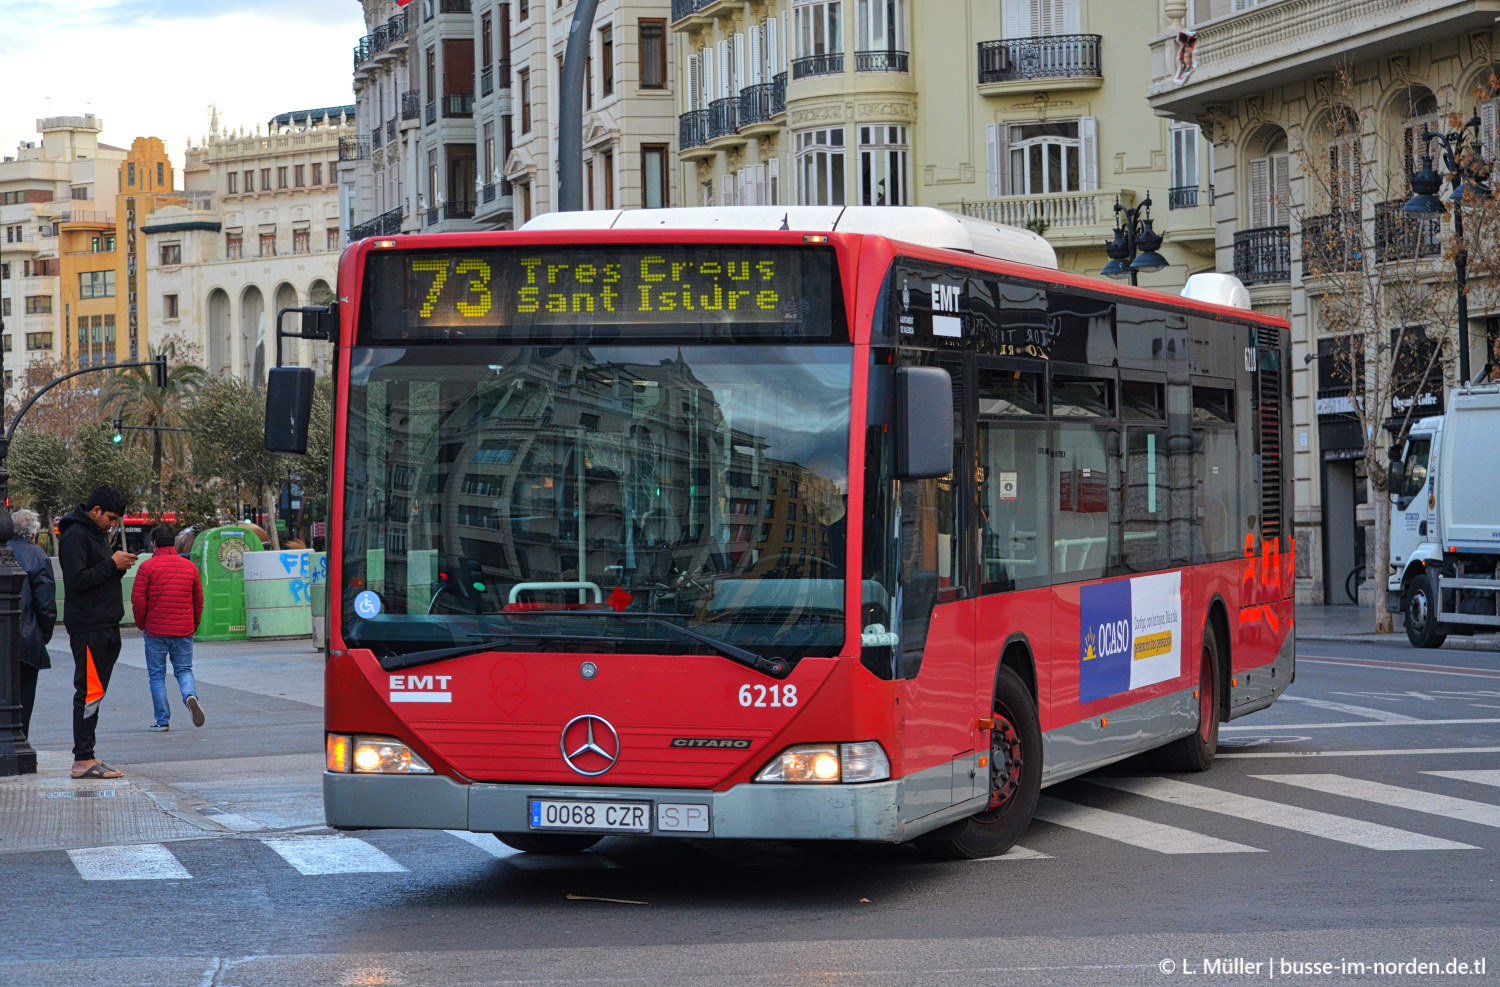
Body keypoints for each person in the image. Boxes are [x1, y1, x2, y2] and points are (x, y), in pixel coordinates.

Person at [58, 485, 136, 779]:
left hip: (105, 624)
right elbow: (77, 580)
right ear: (96, 511)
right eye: (111, 518)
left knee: (96, 692)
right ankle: (82, 759)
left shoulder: (98, 534)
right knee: (89, 692)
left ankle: (88, 755)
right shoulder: (75, 535)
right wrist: (110, 564)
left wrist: (116, 566)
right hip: (89, 626)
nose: (113, 524)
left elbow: (97, 574)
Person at [131, 523, 206, 731]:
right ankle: (189, 695)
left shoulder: (147, 568)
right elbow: (198, 600)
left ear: (154, 544)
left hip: (156, 631)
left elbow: (138, 600)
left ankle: (162, 720)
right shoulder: (189, 567)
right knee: (184, 669)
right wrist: (194, 625)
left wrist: (142, 624)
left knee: (157, 675)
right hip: (184, 630)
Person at [7, 509, 56, 740]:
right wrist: (43, 635)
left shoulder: (3, 550)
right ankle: (20, 740)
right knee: (25, 698)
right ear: (33, 534)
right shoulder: (37, 556)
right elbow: (45, 604)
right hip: (27, 639)